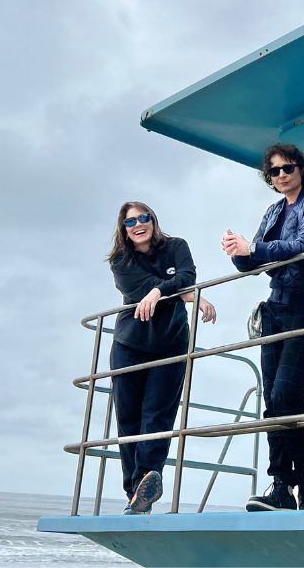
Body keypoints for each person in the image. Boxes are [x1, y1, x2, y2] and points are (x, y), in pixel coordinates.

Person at [223, 144, 304, 511]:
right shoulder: (272, 211)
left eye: (288, 168)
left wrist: (252, 247)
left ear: (301, 169)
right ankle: (282, 484)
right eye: (274, 171)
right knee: (273, 398)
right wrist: (237, 250)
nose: (282, 175)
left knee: (286, 392)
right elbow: (250, 264)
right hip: (275, 307)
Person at [107, 201, 216, 514]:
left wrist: (163, 292)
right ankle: (133, 492)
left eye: (144, 218)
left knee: (158, 417)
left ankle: (146, 483)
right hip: (130, 344)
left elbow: (188, 274)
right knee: (129, 420)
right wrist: (183, 293)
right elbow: (146, 287)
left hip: (171, 343)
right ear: (124, 229)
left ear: (153, 220)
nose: (138, 225)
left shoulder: (176, 246)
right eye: (130, 222)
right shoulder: (120, 261)